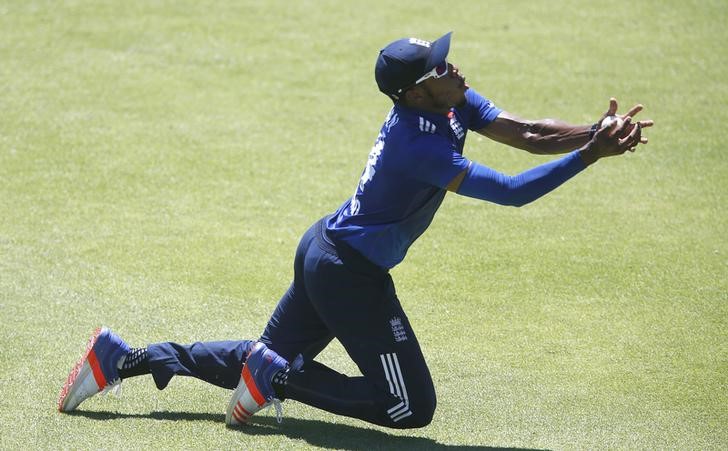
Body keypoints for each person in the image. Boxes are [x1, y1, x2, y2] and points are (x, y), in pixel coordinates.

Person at [57, 32, 653, 429]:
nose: (455, 66)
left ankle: (123, 359)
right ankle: (279, 375)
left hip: (326, 250)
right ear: (416, 90)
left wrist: (589, 131)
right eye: (438, 66)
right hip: (348, 276)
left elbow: (524, 132)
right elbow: (515, 192)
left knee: (255, 362)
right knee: (409, 407)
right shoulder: (417, 144)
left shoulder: (449, 102)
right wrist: (590, 157)